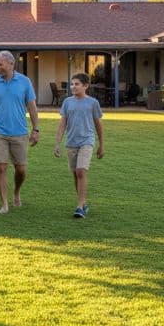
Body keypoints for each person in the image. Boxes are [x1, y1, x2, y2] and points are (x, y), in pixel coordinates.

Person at [0, 50, 40, 213]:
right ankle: (4, 204)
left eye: (0, 64)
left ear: (11, 64)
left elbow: (32, 107)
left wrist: (36, 129)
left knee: (21, 169)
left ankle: (16, 192)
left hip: (20, 132)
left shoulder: (24, 82)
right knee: (1, 167)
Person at [53, 73, 104, 218]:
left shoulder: (93, 103)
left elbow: (98, 125)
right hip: (71, 142)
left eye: (77, 84)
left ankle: (79, 206)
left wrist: (101, 145)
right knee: (76, 174)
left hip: (87, 141)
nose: (73, 87)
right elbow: (62, 124)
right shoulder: (67, 102)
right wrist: (57, 143)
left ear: (85, 86)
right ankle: (83, 203)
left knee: (81, 171)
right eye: (72, 84)